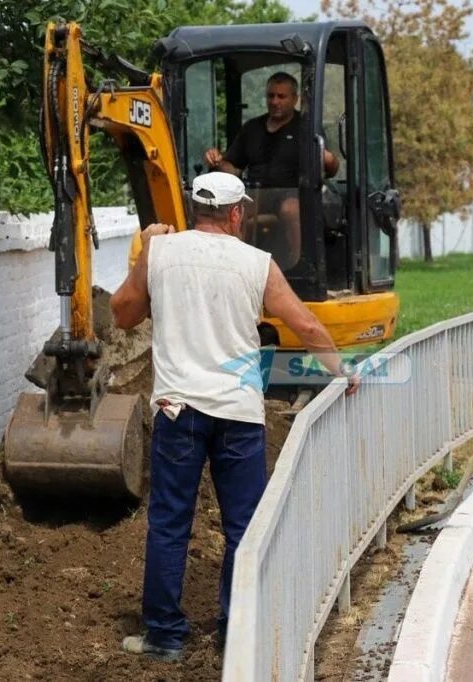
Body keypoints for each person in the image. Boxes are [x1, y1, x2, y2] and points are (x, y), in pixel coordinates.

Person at [109, 171, 359, 661]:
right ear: (237, 213)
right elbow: (305, 323)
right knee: (243, 526)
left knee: (169, 524)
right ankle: (237, 632)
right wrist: (341, 371)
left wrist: (143, 255)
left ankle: (163, 637)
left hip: (178, 410)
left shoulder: (161, 252)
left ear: (195, 208)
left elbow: (122, 314)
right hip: (239, 415)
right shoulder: (256, 263)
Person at [203, 72, 339, 269]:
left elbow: (331, 168)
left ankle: (301, 268)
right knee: (231, 211)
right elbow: (233, 170)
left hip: (294, 194)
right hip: (258, 195)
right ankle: (230, 268)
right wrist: (217, 161)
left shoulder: (307, 128)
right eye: (271, 96)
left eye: (281, 96)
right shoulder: (252, 129)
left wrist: (326, 157)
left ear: (295, 99)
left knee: (290, 209)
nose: (275, 101)